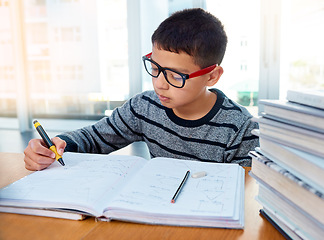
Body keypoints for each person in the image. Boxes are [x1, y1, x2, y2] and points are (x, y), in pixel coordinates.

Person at [24, 8, 259, 171]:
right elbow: (94, 138)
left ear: (212, 76)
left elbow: (243, 195)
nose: (159, 83)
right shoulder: (145, 107)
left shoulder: (242, 129)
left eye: (175, 75)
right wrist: (54, 145)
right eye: (155, 67)